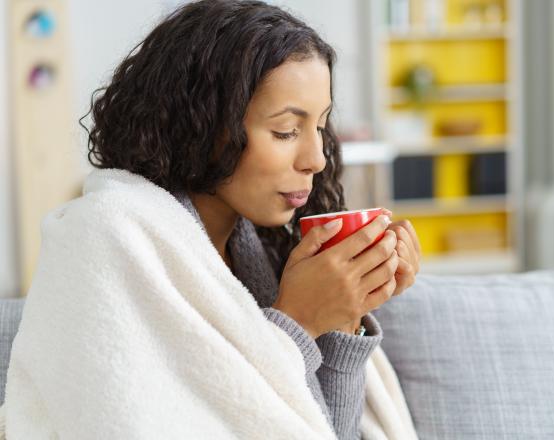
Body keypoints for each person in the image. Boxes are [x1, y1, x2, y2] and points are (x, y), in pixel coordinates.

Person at [3, 1, 421, 438]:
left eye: (319, 127)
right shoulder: (105, 235)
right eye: (285, 131)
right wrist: (297, 323)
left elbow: (321, 428)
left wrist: (344, 316)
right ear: (201, 121)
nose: (317, 159)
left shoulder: (259, 249)